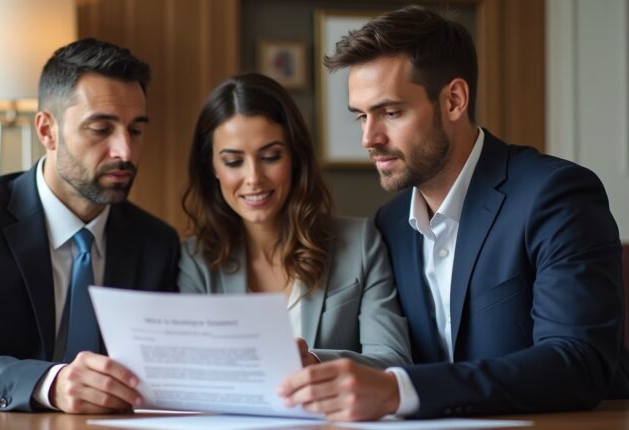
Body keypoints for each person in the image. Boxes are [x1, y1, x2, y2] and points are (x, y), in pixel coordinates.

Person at [277, 5, 629, 420]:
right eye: (361, 116)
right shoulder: (390, 224)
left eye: (391, 112)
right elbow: (391, 353)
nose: (369, 138)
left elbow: (579, 362)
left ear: (454, 100)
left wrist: (399, 391)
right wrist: (318, 367)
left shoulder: (556, 195)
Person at [0, 38, 179, 413]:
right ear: (47, 130)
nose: (124, 151)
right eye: (100, 129)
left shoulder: (157, 243)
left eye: (136, 130)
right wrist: (49, 384)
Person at [178, 72, 411, 369]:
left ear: (295, 157)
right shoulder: (196, 261)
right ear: (211, 166)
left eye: (270, 157)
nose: (254, 178)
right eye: (233, 161)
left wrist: (314, 361)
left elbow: (394, 362)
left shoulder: (360, 243)